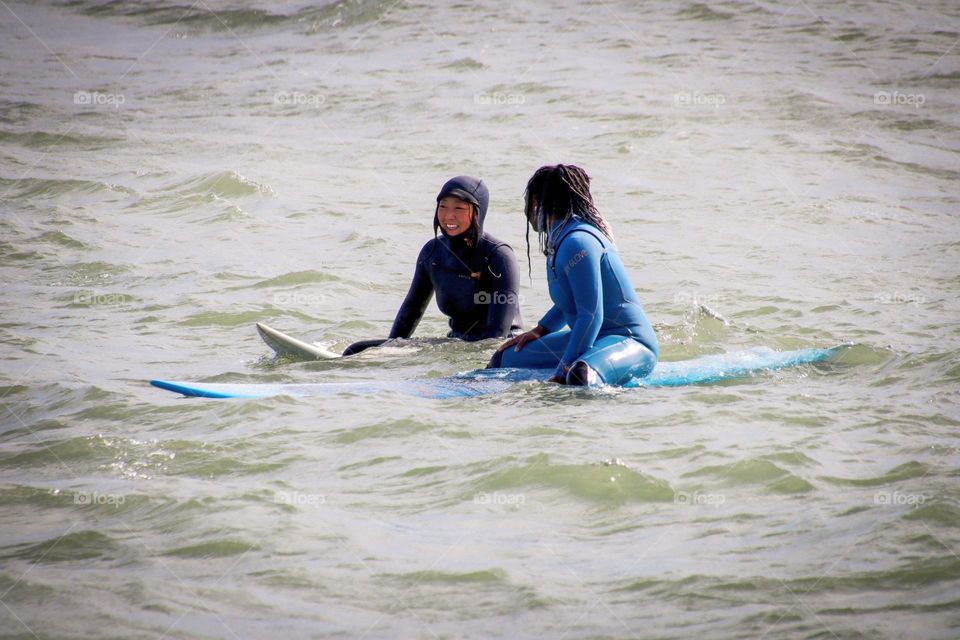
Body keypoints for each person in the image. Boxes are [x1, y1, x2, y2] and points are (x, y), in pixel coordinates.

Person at [488, 164, 658, 385]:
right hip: (593, 337)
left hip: (629, 340)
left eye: (529, 201)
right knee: (505, 358)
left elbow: (590, 315)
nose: (527, 210)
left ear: (540, 203)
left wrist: (562, 370)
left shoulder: (578, 241)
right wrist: (540, 330)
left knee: (578, 375)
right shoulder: (559, 240)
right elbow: (570, 300)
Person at [343, 176, 522, 355]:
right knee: (356, 350)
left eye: (459, 208)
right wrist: (388, 352)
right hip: (458, 342)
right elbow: (412, 308)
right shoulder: (432, 252)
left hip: (505, 347)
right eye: (443, 206)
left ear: (478, 212)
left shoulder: (499, 256)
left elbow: (496, 334)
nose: (448, 215)